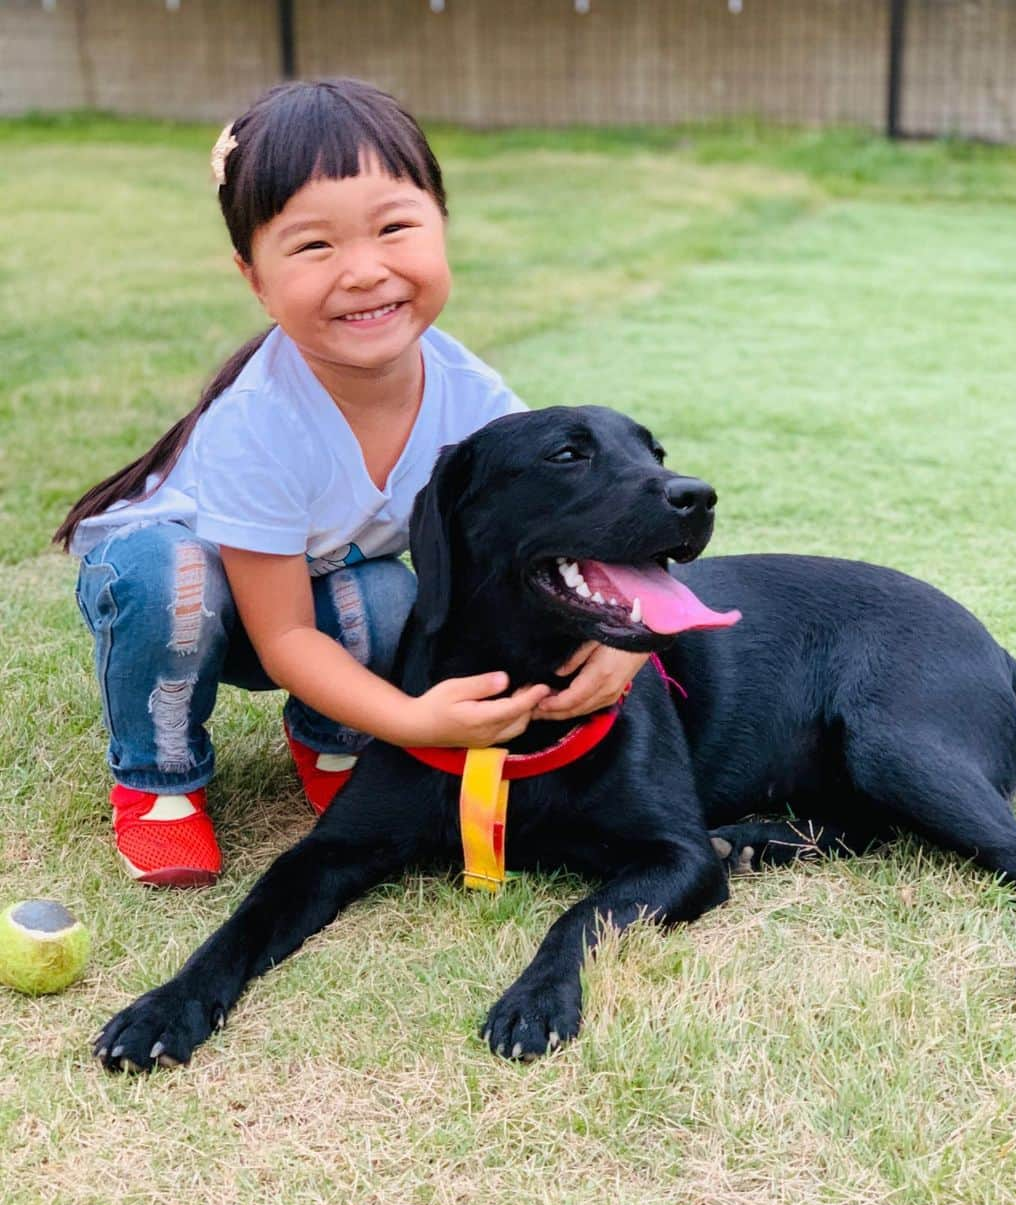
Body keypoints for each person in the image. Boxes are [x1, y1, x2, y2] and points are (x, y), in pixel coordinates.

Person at [55, 79, 646, 888]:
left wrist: (626, 640)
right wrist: (411, 720)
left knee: (388, 594)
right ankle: (159, 785)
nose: (365, 272)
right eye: (313, 247)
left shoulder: (473, 398)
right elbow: (284, 635)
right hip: (197, 598)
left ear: (443, 227)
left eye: (395, 227)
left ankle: (334, 736)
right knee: (172, 577)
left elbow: (551, 536)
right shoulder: (259, 419)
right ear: (254, 278)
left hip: (312, 583)